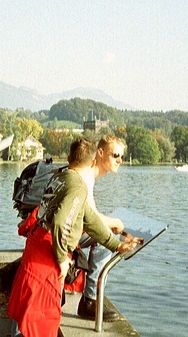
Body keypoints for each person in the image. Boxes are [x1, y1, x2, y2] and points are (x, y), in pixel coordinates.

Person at [7, 138, 138, 337]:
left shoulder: (61, 175)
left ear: (69, 158)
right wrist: (61, 260)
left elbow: (89, 218)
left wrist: (116, 245)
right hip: (48, 254)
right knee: (41, 319)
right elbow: (61, 222)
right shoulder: (78, 186)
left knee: (31, 314)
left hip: (37, 245)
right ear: (94, 160)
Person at [76, 135, 126, 321]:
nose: (120, 160)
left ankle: (91, 297)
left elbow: (89, 214)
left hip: (67, 229)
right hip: (64, 233)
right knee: (106, 238)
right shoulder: (88, 173)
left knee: (106, 234)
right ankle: (89, 301)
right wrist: (114, 223)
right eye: (115, 155)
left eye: (121, 156)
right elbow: (90, 216)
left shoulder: (91, 173)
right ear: (100, 152)